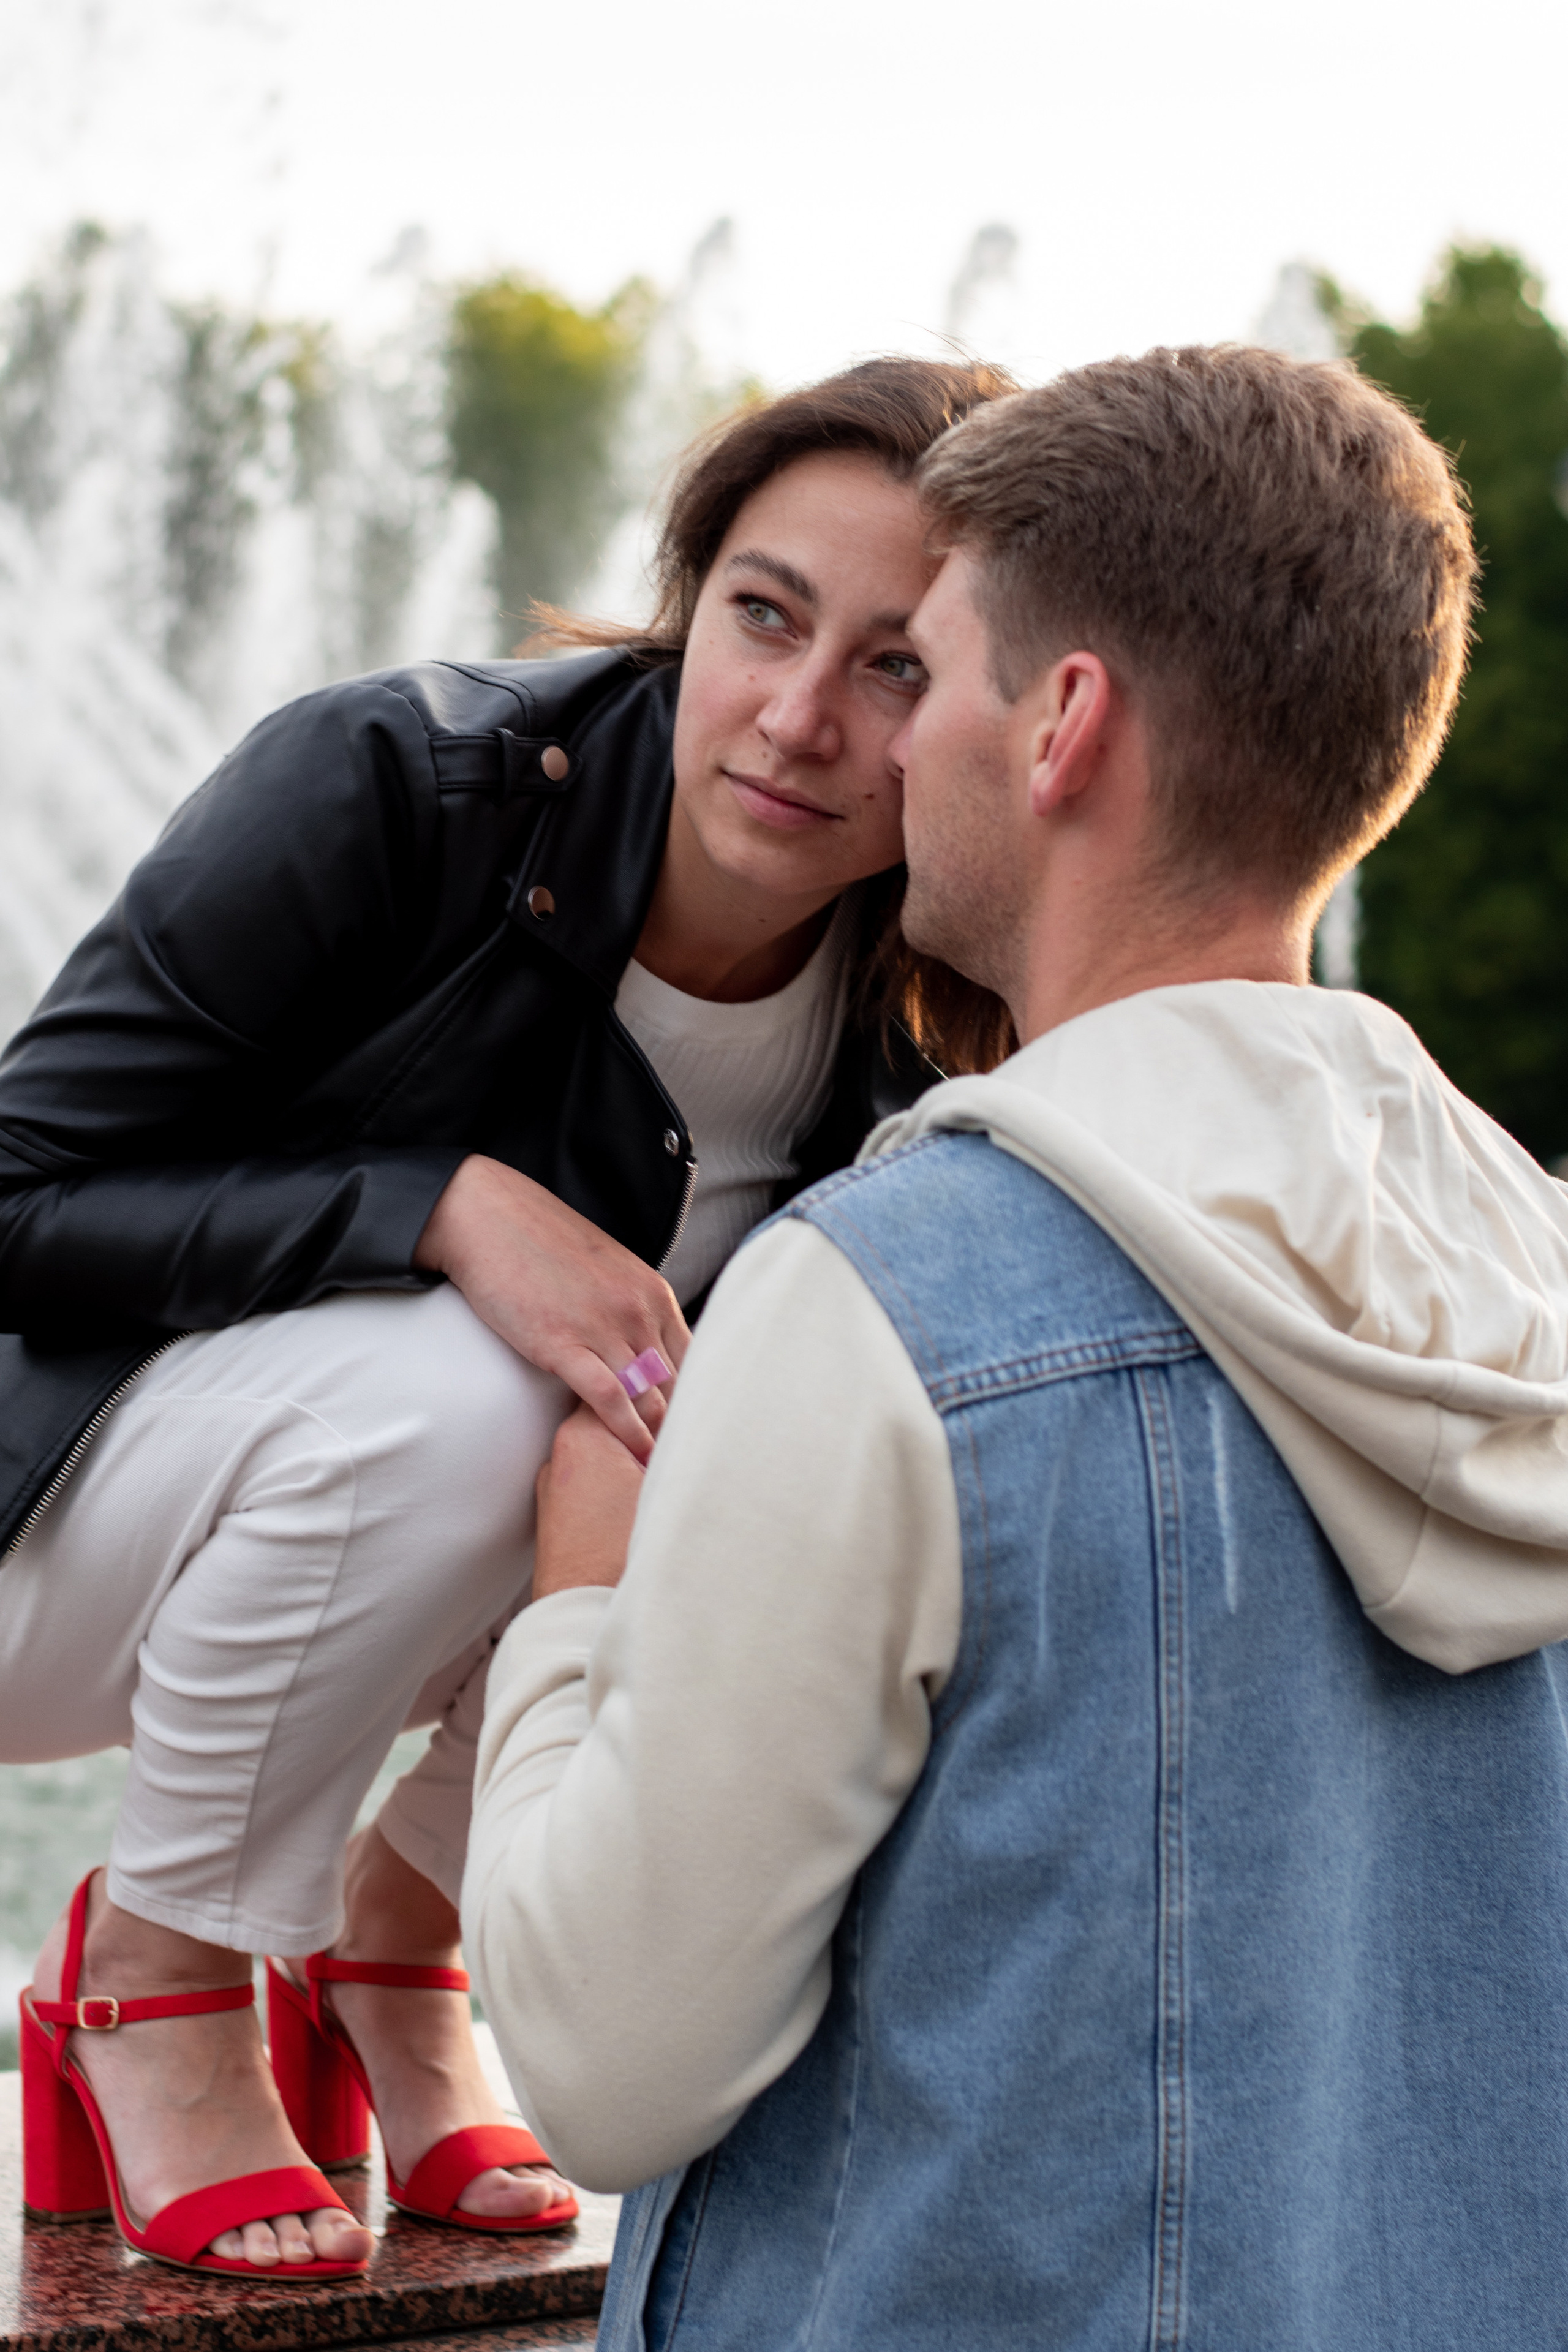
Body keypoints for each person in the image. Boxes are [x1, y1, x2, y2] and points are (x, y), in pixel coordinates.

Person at [463, 345, 1568, 2350]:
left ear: (1064, 725)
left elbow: (603, 2066)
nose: (887, 752)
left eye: (937, 670)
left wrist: (574, 1604)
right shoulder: (1544, 1272)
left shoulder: (884, 1301)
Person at [0, 355, 1016, 2277]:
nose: (798, 720)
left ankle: (401, 1939)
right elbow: (15, 1196)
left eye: (895, 667)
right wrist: (442, 1206)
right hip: (52, 1532)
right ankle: (157, 1959)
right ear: (686, 592)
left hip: (353, 1586)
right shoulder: (408, 780)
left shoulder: (925, 993)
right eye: (765, 616)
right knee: (502, 1371)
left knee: (802, 1419)